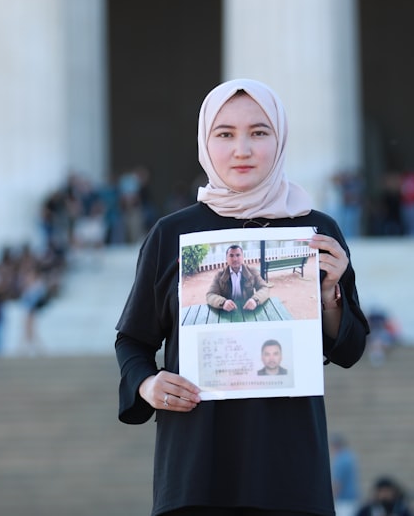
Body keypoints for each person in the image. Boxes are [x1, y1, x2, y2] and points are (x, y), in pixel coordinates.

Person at [114, 78, 369, 516]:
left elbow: (349, 348)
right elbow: (133, 340)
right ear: (205, 142)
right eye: (225, 134)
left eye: (259, 132)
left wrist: (331, 293)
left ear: (281, 139)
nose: (242, 149)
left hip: (291, 471)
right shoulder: (171, 234)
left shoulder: (314, 230)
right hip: (196, 471)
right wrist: (148, 384)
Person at [206, 244, 269, 312]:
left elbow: (264, 288)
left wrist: (255, 300)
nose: (235, 259)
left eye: (238, 255)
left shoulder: (252, 271)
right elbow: (210, 294)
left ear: (242, 257)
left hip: (247, 309)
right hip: (227, 312)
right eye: (231, 255)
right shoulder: (220, 275)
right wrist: (223, 303)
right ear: (226, 258)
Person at [330, 434, 360, 516]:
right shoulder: (349, 456)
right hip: (352, 499)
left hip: (344, 502)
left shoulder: (341, 460)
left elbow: (337, 483)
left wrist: (330, 499)